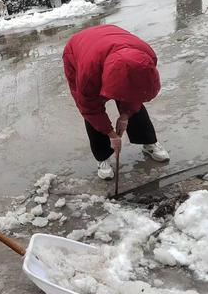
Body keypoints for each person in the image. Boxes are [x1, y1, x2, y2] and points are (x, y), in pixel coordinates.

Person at [62, 25, 170, 180]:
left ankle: (149, 143)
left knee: (133, 95)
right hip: (78, 51)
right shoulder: (88, 75)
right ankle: (102, 157)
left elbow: (138, 93)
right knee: (93, 110)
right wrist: (111, 134)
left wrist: (126, 115)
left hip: (111, 43)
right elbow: (90, 108)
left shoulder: (147, 56)